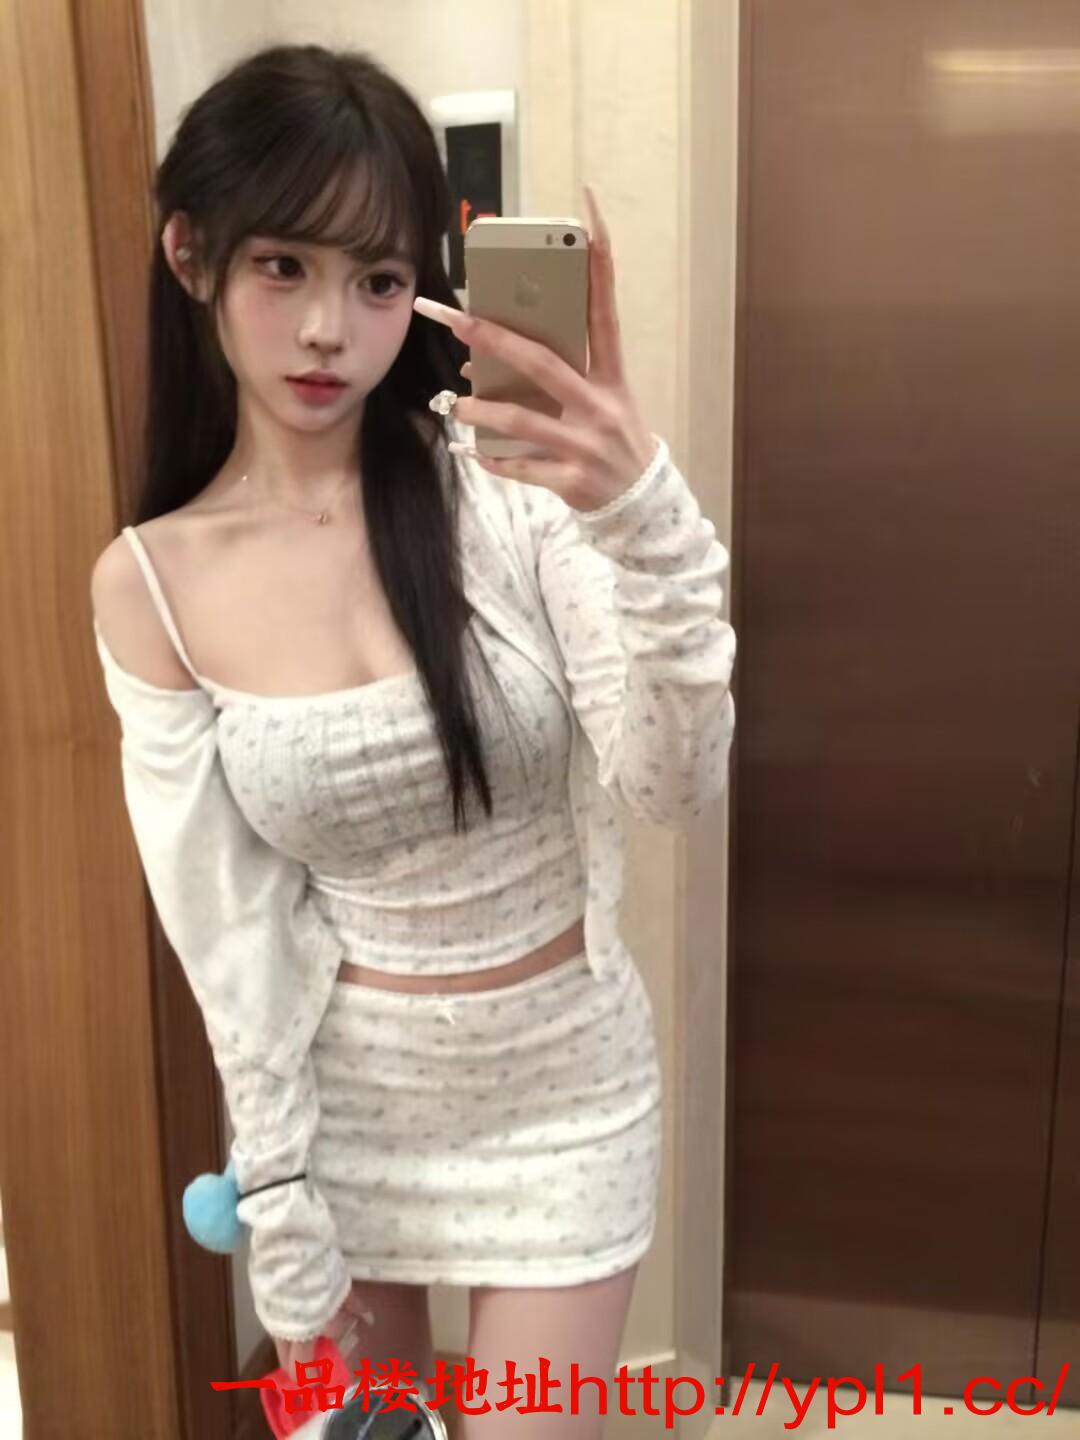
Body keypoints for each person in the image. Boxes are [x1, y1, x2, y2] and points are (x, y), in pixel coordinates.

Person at [89, 41, 737, 1438]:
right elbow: (227, 931)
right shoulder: (148, 586)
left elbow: (674, 782)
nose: (330, 330)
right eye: (284, 268)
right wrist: (279, 1209)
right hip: (342, 1126)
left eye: (379, 281)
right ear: (191, 254)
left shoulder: (506, 496)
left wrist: (639, 516)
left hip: (566, 1101)